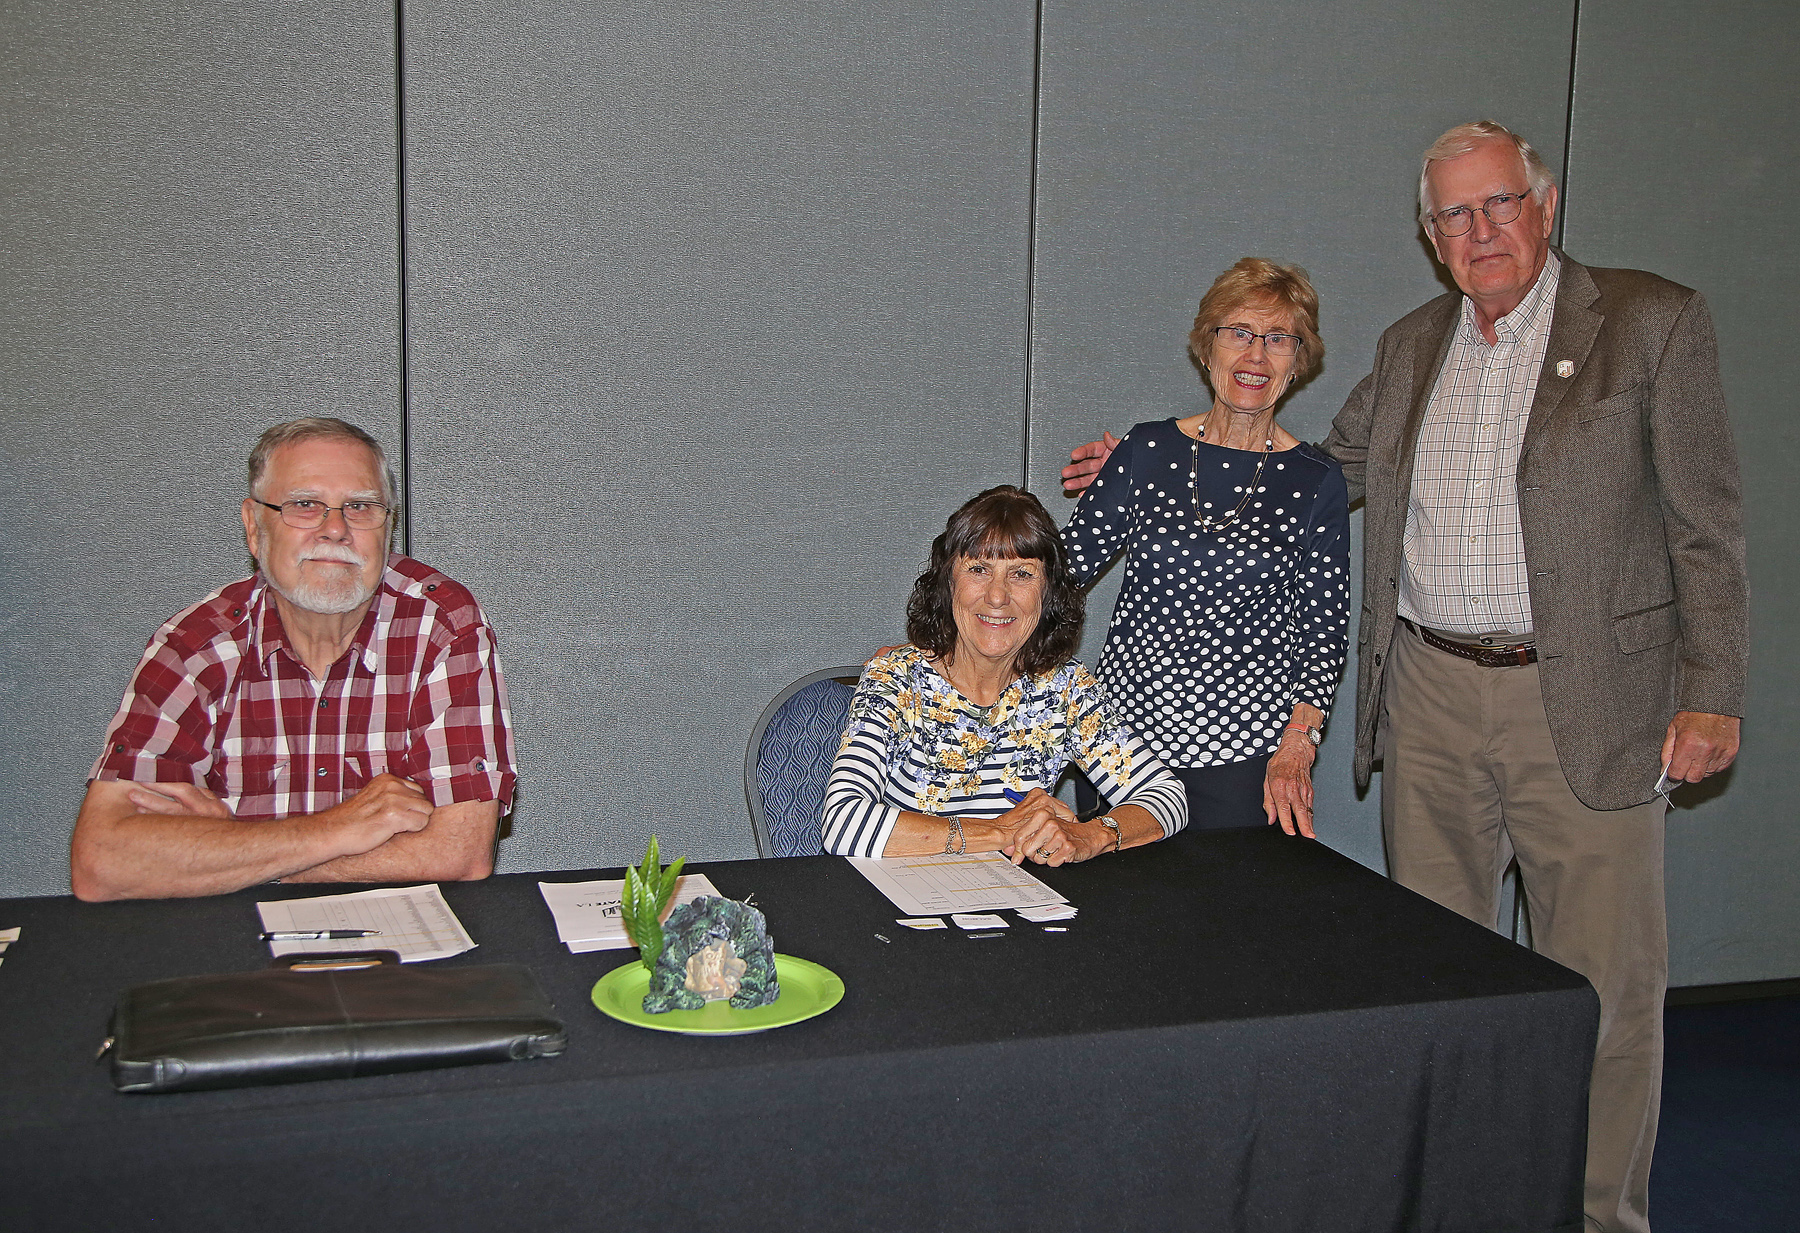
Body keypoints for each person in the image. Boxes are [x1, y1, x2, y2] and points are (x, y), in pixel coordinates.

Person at [1063, 121, 1747, 1233]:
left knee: (1602, 997)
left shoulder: (1651, 322)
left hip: (1586, 703)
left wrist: (1713, 686)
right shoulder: (1416, 341)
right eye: (1452, 216)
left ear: (1546, 203)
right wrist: (1153, 463)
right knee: (1431, 984)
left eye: (1498, 205)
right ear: (1430, 238)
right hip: (1429, 699)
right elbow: (1313, 474)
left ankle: (1595, 1218)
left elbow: (1707, 520)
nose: (1479, 232)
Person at [70, 417, 518, 900]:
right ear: (254, 527)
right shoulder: (197, 643)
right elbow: (104, 862)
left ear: (388, 529)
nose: (335, 529)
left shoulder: (442, 625)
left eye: (360, 506)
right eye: (305, 505)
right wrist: (336, 829)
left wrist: (229, 852)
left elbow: (460, 851)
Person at [1060, 258, 1348, 837]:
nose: (1255, 356)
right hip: (1121, 751)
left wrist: (1299, 745)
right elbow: (1060, 573)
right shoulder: (1147, 450)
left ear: (1298, 361)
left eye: (1277, 339)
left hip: (1247, 760)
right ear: (1206, 348)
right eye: (1238, 333)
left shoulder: (1315, 478)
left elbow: (1323, 633)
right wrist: (958, 636)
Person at [823, 486, 1186, 863]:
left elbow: (1167, 796)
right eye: (979, 569)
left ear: (1048, 594)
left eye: (1022, 574)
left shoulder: (1066, 689)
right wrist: (1002, 831)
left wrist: (1089, 835)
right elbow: (842, 823)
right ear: (949, 584)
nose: (998, 596)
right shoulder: (897, 680)